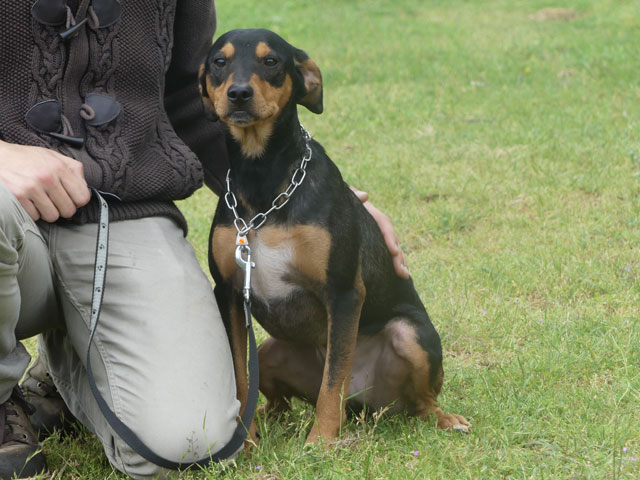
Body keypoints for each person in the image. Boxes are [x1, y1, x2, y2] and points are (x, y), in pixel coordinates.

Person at [0, 1, 408, 479]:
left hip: (125, 212)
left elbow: (194, 96)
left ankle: (71, 369)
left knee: (190, 443)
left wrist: (328, 201)